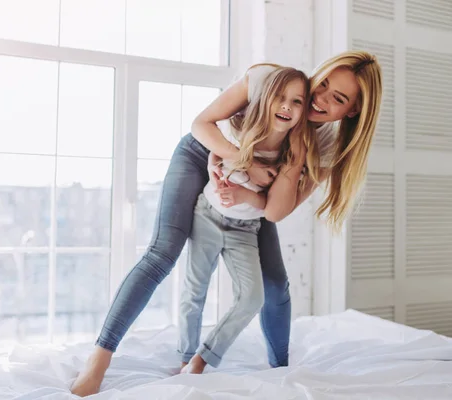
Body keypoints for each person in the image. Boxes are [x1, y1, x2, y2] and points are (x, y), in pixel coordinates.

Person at [71, 51, 382, 396]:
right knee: (163, 252)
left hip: (252, 198)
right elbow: (201, 123)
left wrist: (290, 156)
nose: (319, 98)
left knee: (275, 285)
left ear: (352, 110)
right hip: (202, 152)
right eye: (322, 83)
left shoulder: (324, 147)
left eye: (337, 98)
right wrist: (244, 163)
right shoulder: (271, 81)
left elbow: (275, 212)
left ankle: (280, 367)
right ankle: (99, 358)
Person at [179, 67, 315, 374]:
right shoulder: (238, 126)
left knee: (253, 297)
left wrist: (243, 195)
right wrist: (221, 165)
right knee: (195, 290)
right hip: (208, 216)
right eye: (280, 98)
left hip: (246, 229)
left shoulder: (293, 151)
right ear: (265, 97)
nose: (287, 107)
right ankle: (185, 358)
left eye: (297, 102)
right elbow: (213, 152)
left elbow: (271, 206)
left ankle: (203, 358)